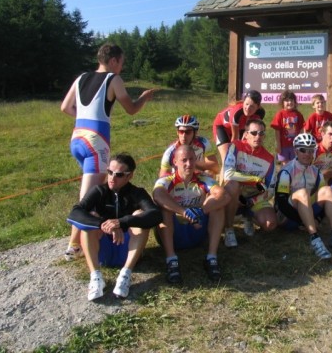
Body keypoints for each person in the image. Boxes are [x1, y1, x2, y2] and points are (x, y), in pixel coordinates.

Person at [61, 42, 156, 261]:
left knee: (91, 192)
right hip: (97, 142)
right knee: (87, 197)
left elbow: (65, 107)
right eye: (121, 63)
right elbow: (131, 109)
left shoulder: (81, 78)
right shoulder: (113, 79)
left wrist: (84, 121)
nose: (121, 68)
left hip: (77, 138)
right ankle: (74, 245)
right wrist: (144, 97)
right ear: (113, 61)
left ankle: (85, 237)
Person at [67, 153, 163, 300]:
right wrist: (104, 224)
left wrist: (122, 222)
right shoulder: (99, 191)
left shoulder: (137, 193)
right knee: (89, 220)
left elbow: (155, 214)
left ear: (129, 176)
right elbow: (75, 213)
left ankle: (125, 274)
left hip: (127, 250)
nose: (112, 178)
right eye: (110, 172)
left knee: (139, 214)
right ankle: (96, 277)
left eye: (118, 174)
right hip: (103, 252)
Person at [153, 145, 231, 282]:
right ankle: (171, 260)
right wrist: (184, 212)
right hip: (174, 233)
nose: (188, 164)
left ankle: (211, 258)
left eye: (191, 159)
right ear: (175, 162)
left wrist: (201, 211)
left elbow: (224, 196)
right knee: (164, 208)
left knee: (218, 205)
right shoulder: (166, 181)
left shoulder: (203, 179)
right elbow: (157, 195)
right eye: (184, 160)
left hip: (198, 230)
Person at [275, 133, 332, 259]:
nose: (307, 154)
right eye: (303, 150)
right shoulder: (287, 171)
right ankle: (314, 239)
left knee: (327, 190)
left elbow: (325, 199)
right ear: (296, 151)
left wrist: (318, 219)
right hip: (287, 218)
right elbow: (281, 203)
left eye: (311, 150)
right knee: (303, 193)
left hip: (306, 214)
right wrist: (301, 220)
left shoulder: (315, 171)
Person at [222, 119, 277, 247]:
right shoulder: (235, 146)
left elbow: (270, 190)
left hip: (254, 199)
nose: (258, 136)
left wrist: (250, 202)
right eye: (253, 133)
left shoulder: (269, 158)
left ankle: (248, 216)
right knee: (232, 184)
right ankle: (229, 229)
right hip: (233, 195)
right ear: (246, 134)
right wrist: (254, 179)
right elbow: (228, 174)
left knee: (270, 224)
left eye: (261, 133)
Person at [213, 90, 265, 165]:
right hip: (222, 127)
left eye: (252, 106)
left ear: (258, 107)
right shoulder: (237, 113)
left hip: (239, 128)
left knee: (242, 158)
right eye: (246, 104)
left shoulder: (260, 114)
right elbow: (235, 138)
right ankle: (224, 175)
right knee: (227, 159)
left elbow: (251, 131)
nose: (248, 108)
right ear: (243, 102)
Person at [270, 90, 305, 165]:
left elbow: (302, 130)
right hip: (283, 145)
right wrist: (278, 144)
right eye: (287, 100)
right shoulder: (280, 114)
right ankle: (285, 176)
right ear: (282, 102)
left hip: (295, 145)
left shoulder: (298, 114)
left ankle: (294, 176)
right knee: (285, 164)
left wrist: (301, 143)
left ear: (294, 101)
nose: (289, 102)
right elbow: (277, 131)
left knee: (295, 163)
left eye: (291, 100)